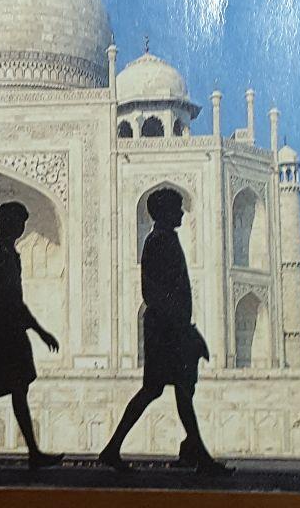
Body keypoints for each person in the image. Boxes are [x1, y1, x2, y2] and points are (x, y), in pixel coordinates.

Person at [99, 187, 231, 475]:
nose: (182, 213)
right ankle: (198, 456)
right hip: (166, 329)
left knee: (170, 390)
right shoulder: (160, 241)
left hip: (167, 326)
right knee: (166, 390)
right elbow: (157, 293)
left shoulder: (164, 239)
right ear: (164, 212)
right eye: (177, 208)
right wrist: (182, 331)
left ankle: (191, 451)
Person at [0, 201, 64, 470]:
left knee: (10, 389)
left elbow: (11, 298)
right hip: (0, 328)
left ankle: (29, 452)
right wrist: (40, 331)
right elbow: (8, 298)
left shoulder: (0, 253)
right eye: (19, 221)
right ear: (7, 223)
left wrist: (36, 330)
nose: (22, 227)